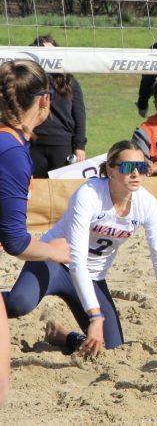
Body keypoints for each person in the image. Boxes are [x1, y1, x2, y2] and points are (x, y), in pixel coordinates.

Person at [3, 141, 157, 358]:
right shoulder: (89, 194)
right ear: (110, 170)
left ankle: (63, 336)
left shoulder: (148, 205)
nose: (135, 173)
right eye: (127, 167)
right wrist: (95, 317)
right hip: (55, 262)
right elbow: (77, 260)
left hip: (93, 277)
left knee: (111, 350)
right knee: (19, 303)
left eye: (142, 167)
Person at [0, 60, 72, 404]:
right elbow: (15, 241)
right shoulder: (12, 151)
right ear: (43, 101)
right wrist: (54, 250)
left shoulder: (11, 143)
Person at [27, 36, 87, 177]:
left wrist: (79, 146)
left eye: (52, 52)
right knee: (36, 189)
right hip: (34, 143)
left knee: (61, 189)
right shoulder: (29, 82)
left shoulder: (69, 82)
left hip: (62, 144)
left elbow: (80, 115)